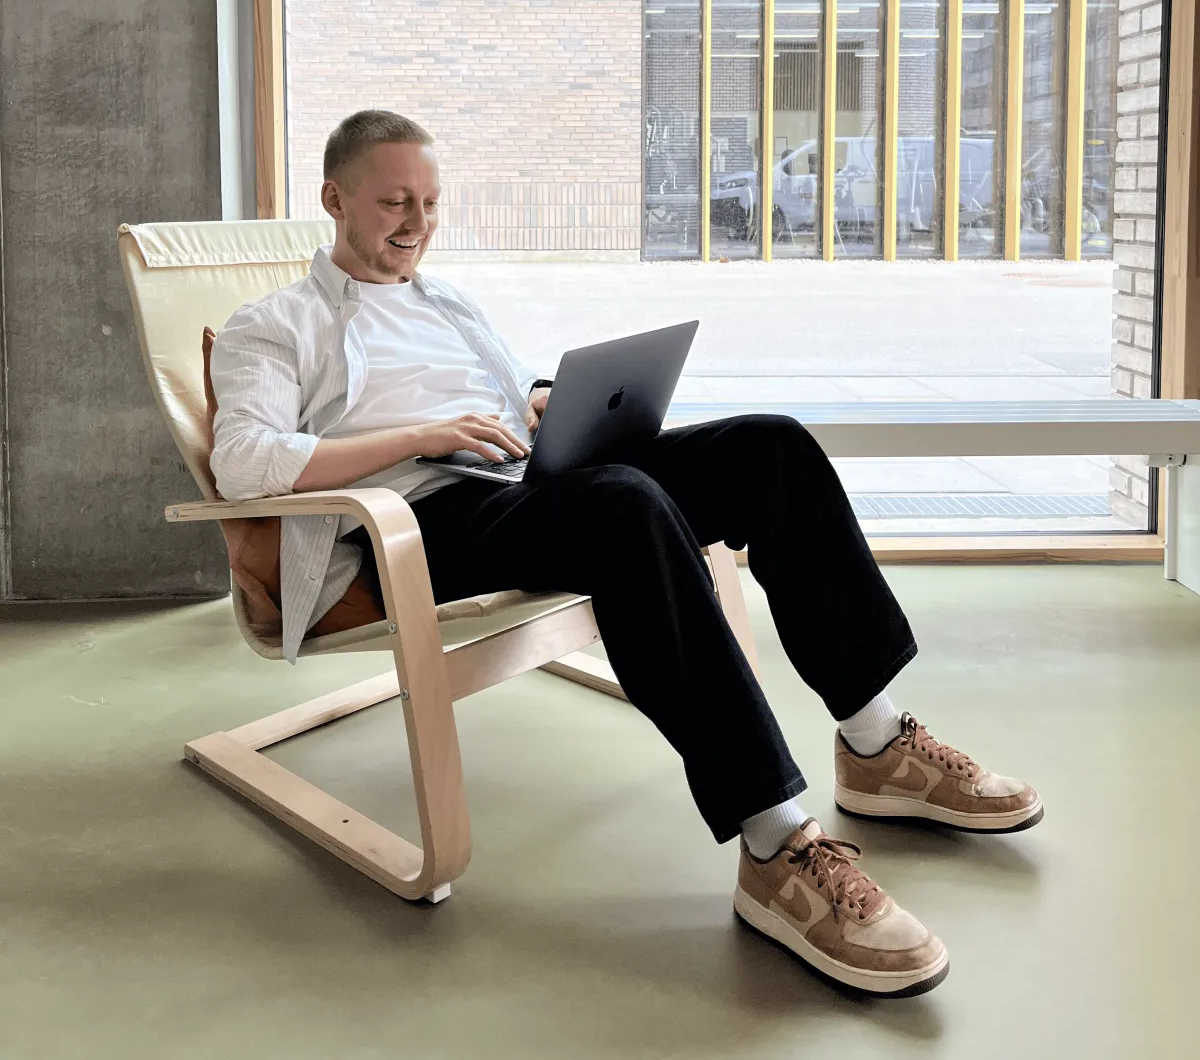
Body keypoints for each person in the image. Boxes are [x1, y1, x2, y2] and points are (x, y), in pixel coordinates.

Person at [210, 109, 1042, 1000]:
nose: (418, 223)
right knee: (625, 506)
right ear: (334, 199)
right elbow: (243, 460)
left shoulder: (443, 301)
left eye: (431, 202)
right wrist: (422, 435)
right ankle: (776, 845)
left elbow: (500, 393)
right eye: (394, 204)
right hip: (418, 523)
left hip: (523, 482)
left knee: (771, 447)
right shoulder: (275, 325)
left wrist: (539, 401)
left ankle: (876, 743)